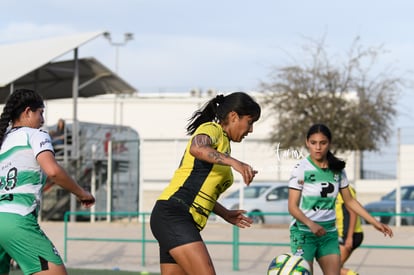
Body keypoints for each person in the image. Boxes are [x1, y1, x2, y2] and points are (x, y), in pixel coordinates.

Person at [150, 92, 261, 275]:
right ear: (234, 116)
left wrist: (225, 213)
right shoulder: (212, 129)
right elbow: (197, 147)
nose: (251, 130)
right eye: (250, 122)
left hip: (181, 219)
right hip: (174, 214)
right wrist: (235, 162)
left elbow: (200, 191)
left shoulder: (224, 143)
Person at [0, 89, 95, 275]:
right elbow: (53, 171)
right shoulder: (36, 135)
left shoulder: (3, 141)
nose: (42, 119)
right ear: (28, 112)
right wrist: (82, 193)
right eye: (40, 113)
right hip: (16, 220)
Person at [288, 123, 393, 275]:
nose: (318, 147)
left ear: (329, 143)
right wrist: (311, 224)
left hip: (328, 234)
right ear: (307, 142)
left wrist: (374, 222)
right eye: (313, 143)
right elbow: (292, 207)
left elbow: (350, 201)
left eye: (322, 143)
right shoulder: (300, 169)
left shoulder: (338, 171)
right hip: (304, 233)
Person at [336, 185, 363, 275]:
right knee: (338, 268)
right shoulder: (334, 189)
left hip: (350, 234)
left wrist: (349, 237)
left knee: (334, 269)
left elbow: (353, 212)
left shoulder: (345, 189)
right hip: (342, 234)